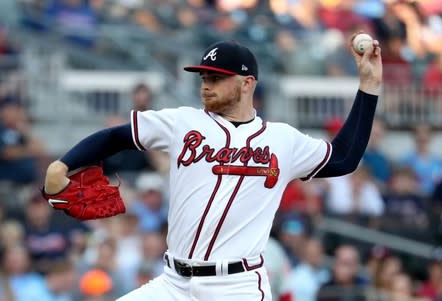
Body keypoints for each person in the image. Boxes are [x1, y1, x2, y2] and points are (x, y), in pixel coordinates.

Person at [43, 36, 382, 300]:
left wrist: (368, 88)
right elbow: (117, 136)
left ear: (247, 83)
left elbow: (343, 158)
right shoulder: (182, 122)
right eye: (204, 75)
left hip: (236, 287)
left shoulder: (283, 140)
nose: (206, 83)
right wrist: (64, 164)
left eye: (218, 78)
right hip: (173, 283)